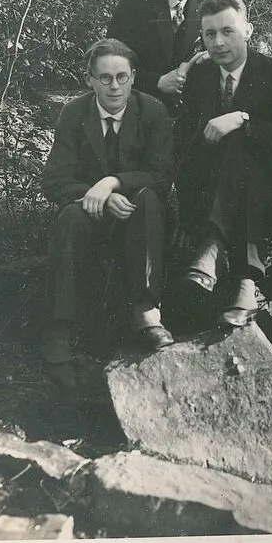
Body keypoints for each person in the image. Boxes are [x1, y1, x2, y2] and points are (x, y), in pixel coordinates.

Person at [38, 39, 177, 381]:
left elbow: (161, 176)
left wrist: (113, 182)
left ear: (133, 78)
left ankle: (146, 312)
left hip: (139, 214)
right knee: (70, 216)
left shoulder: (152, 111)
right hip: (92, 214)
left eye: (122, 77)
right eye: (105, 78)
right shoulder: (75, 113)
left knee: (147, 200)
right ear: (90, 80)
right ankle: (60, 328)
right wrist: (94, 194)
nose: (114, 87)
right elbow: (55, 179)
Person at [173, 0, 272, 329]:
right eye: (210, 34)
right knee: (228, 152)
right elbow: (185, 149)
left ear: (248, 30)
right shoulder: (201, 78)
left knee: (240, 145)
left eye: (228, 32)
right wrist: (186, 219)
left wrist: (243, 120)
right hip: (212, 191)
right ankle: (244, 284)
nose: (218, 42)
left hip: (267, 192)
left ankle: (220, 254)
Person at [105, 0, 209, 110]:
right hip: (138, 107)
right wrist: (157, 82)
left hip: (189, 112)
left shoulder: (208, 5)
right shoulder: (134, 3)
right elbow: (110, 62)